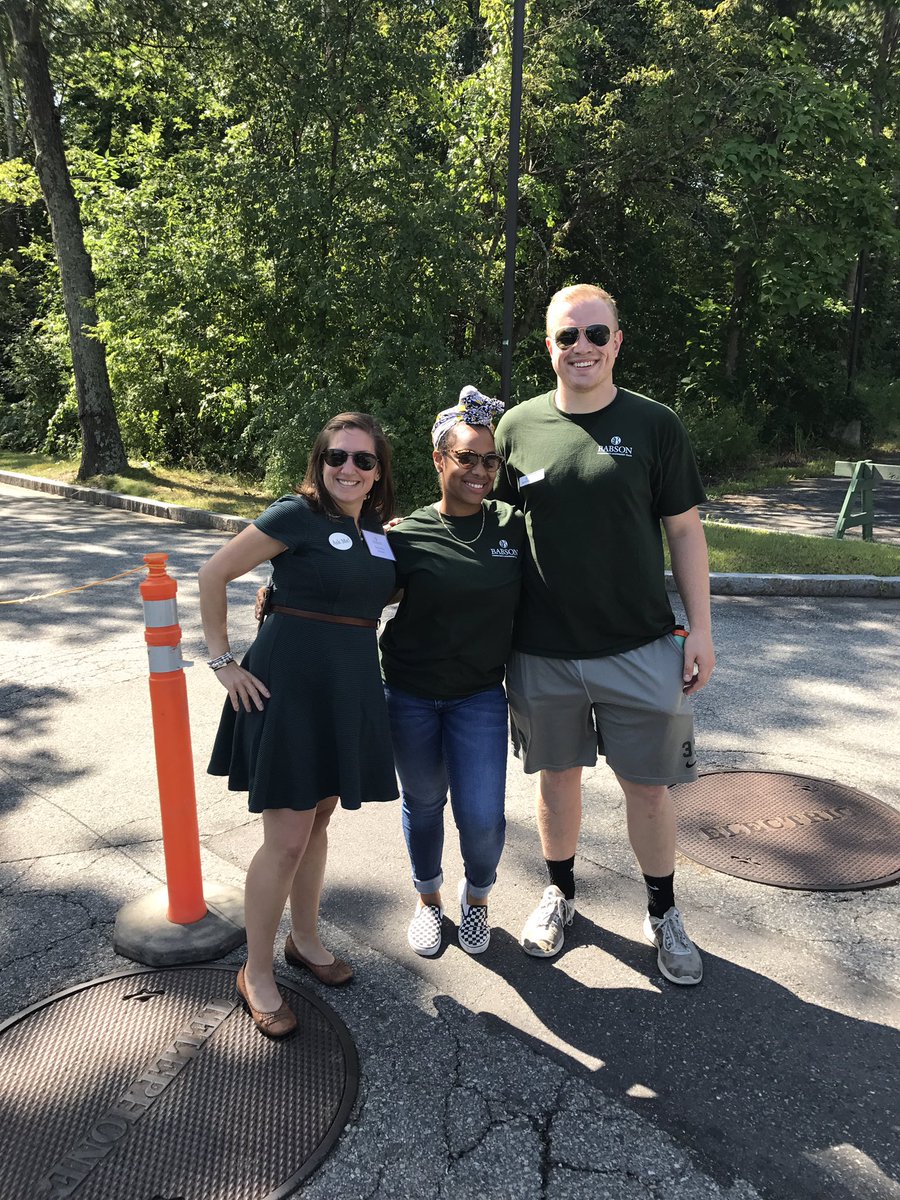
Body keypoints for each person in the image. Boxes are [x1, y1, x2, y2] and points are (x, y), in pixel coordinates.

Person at [493, 284, 716, 985]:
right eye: (567, 336)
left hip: (641, 645)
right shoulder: (516, 429)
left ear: (618, 342)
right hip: (542, 650)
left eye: (596, 334)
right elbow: (492, 539)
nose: (581, 347)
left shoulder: (655, 425)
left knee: (648, 788)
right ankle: (559, 892)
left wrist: (700, 630)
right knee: (557, 782)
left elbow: (684, 530)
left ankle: (663, 911)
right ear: (549, 346)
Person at [199, 412, 398, 1037]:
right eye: (338, 456)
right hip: (285, 690)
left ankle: (305, 940)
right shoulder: (296, 514)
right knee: (284, 836)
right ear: (320, 461)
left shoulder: (380, 535)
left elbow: (374, 597)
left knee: (318, 819)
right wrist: (223, 662)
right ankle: (255, 970)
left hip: (346, 692)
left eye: (363, 460)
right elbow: (214, 573)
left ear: (378, 472)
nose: (349, 469)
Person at [380, 387, 525, 957]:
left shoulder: (513, 526)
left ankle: (477, 900)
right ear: (439, 460)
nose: (480, 471)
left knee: (484, 816)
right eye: (466, 457)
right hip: (410, 695)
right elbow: (353, 593)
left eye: (490, 460)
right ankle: (428, 901)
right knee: (422, 801)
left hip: (479, 697)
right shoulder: (404, 535)